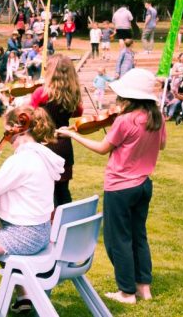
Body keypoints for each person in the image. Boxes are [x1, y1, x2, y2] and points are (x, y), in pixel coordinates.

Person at [56, 68, 165, 305]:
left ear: (129, 96)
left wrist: (73, 135)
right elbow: (161, 145)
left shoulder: (125, 120)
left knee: (118, 240)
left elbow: (102, 148)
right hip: (144, 185)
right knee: (138, 236)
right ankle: (143, 288)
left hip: (120, 186)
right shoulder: (157, 118)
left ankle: (126, 292)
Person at [0, 105, 65, 316]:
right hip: (41, 233)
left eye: (6, 131)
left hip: (23, 237)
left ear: (15, 128)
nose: (6, 137)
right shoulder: (42, 155)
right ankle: (24, 296)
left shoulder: (21, 161)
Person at [30, 55, 83, 206]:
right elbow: (78, 112)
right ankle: (67, 219)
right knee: (63, 192)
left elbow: (29, 115)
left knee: (45, 195)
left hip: (45, 144)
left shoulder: (41, 93)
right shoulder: (73, 94)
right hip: (64, 144)